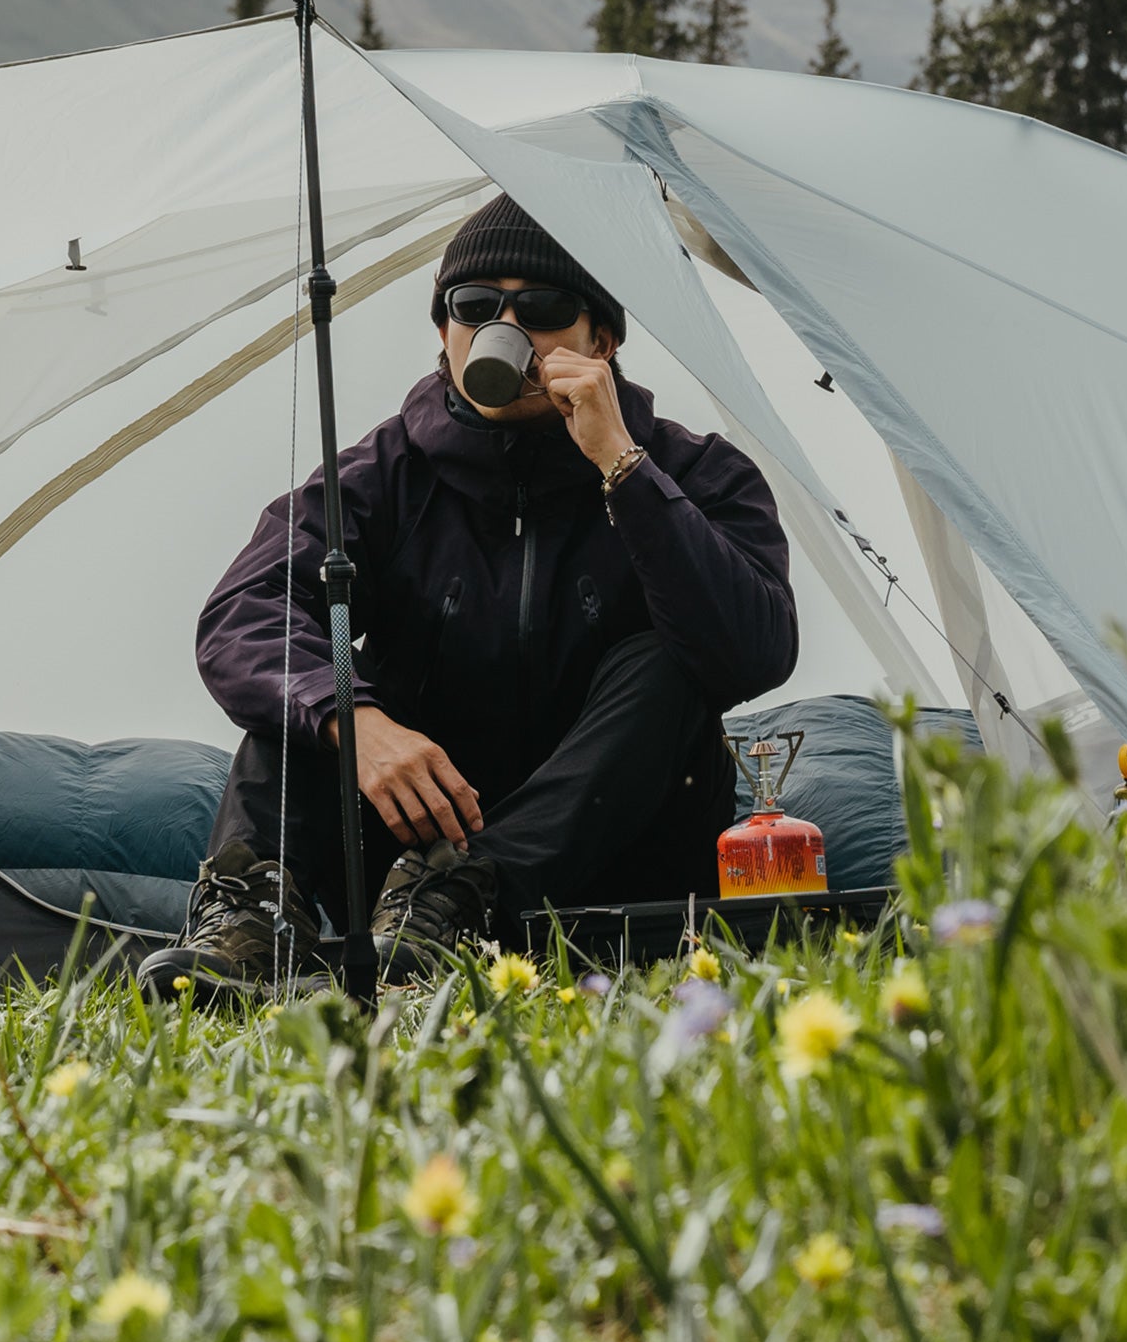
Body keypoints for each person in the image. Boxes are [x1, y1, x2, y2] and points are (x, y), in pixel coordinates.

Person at [141, 192, 796, 995]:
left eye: (544, 309)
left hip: (614, 854)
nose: (505, 331)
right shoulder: (379, 477)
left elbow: (755, 651)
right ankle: (252, 928)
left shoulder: (695, 475)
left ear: (604, 340)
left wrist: (622, 467)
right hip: (402, 875)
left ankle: (468, 897)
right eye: (476, 306)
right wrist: (355, 718)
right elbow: (245, 615)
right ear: (444, 332)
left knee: (669, 660)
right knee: (304, 697)